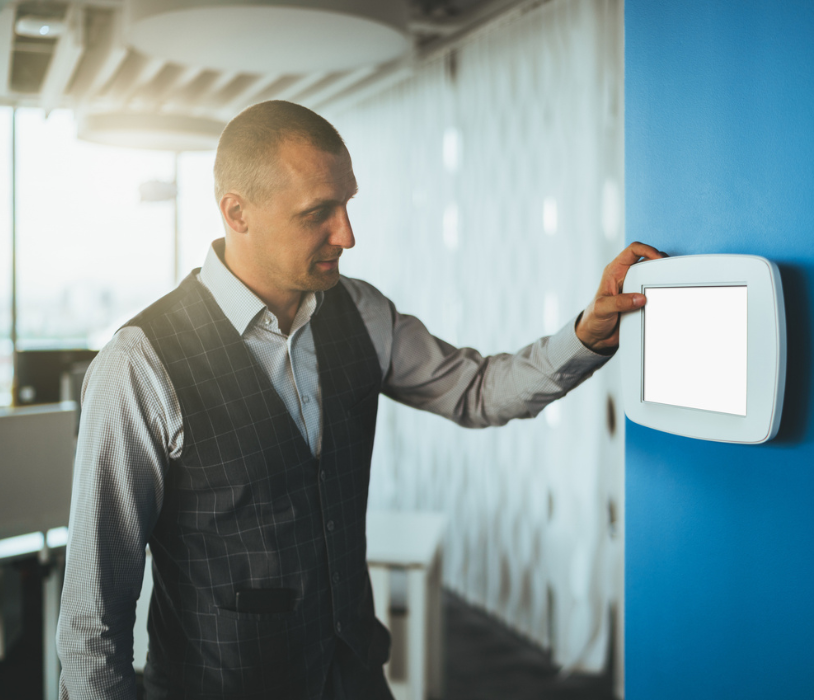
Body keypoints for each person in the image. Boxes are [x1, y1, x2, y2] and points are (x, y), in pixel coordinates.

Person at [56, 100, 664, 700]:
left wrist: (585, 335)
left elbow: (477, 391)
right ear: (236, 213)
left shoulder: (363, 311)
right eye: (319, 212)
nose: (347, 233)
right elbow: (94, 608)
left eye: (347, 204)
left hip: (354, 675)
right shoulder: (139, 363)